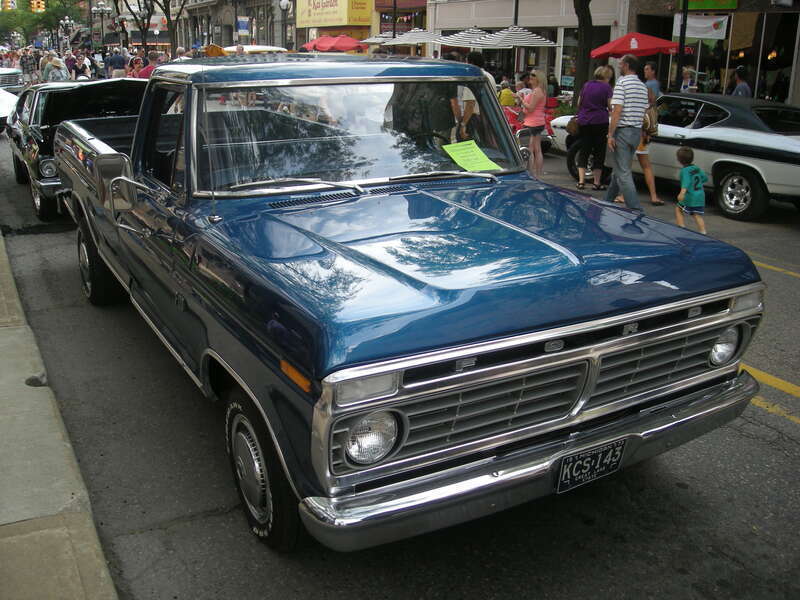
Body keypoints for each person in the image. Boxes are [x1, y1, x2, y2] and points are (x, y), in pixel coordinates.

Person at [605, 54, 649, 211]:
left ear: (627, 65)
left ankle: (635, 209)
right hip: (636, 131)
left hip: (623, 130)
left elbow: (617, 111)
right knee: (620, 170)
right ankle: (607, 202)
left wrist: (610, 134)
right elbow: (645, 111)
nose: (618, 66)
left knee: (623, 172)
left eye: (620, 63)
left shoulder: (621, 83)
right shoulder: (643, 86)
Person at [575, 66, 613, 191]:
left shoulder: (587, 85)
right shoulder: (607, 87)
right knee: (599, 151)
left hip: (585, 121)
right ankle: (596, 182)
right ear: (606, 76)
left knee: (584, 150)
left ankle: (581, 181)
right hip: (600, 121)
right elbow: (610, 105)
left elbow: (579, 103)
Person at [675, 147, 708, 234]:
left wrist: (682, 193)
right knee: (697, 215)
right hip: (700, 196)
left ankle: (681, 227)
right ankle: (703, 232)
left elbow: (686, 182)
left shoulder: (684, 171)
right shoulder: (696, 168)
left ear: (679, 160)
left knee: (678, 209)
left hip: (690, 196)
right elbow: (705, 178)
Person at [521, 70, 547, 179]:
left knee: (530, 149)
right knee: (537, 149)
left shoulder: (536, 91)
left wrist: (521, 100)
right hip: (539, 121)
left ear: (538, 78)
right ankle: (538, 174)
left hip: (532, 122)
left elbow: (531, 108)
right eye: (530, 75)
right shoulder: (541, 90)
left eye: (533, 76)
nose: (530, 78)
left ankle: (532, 173)